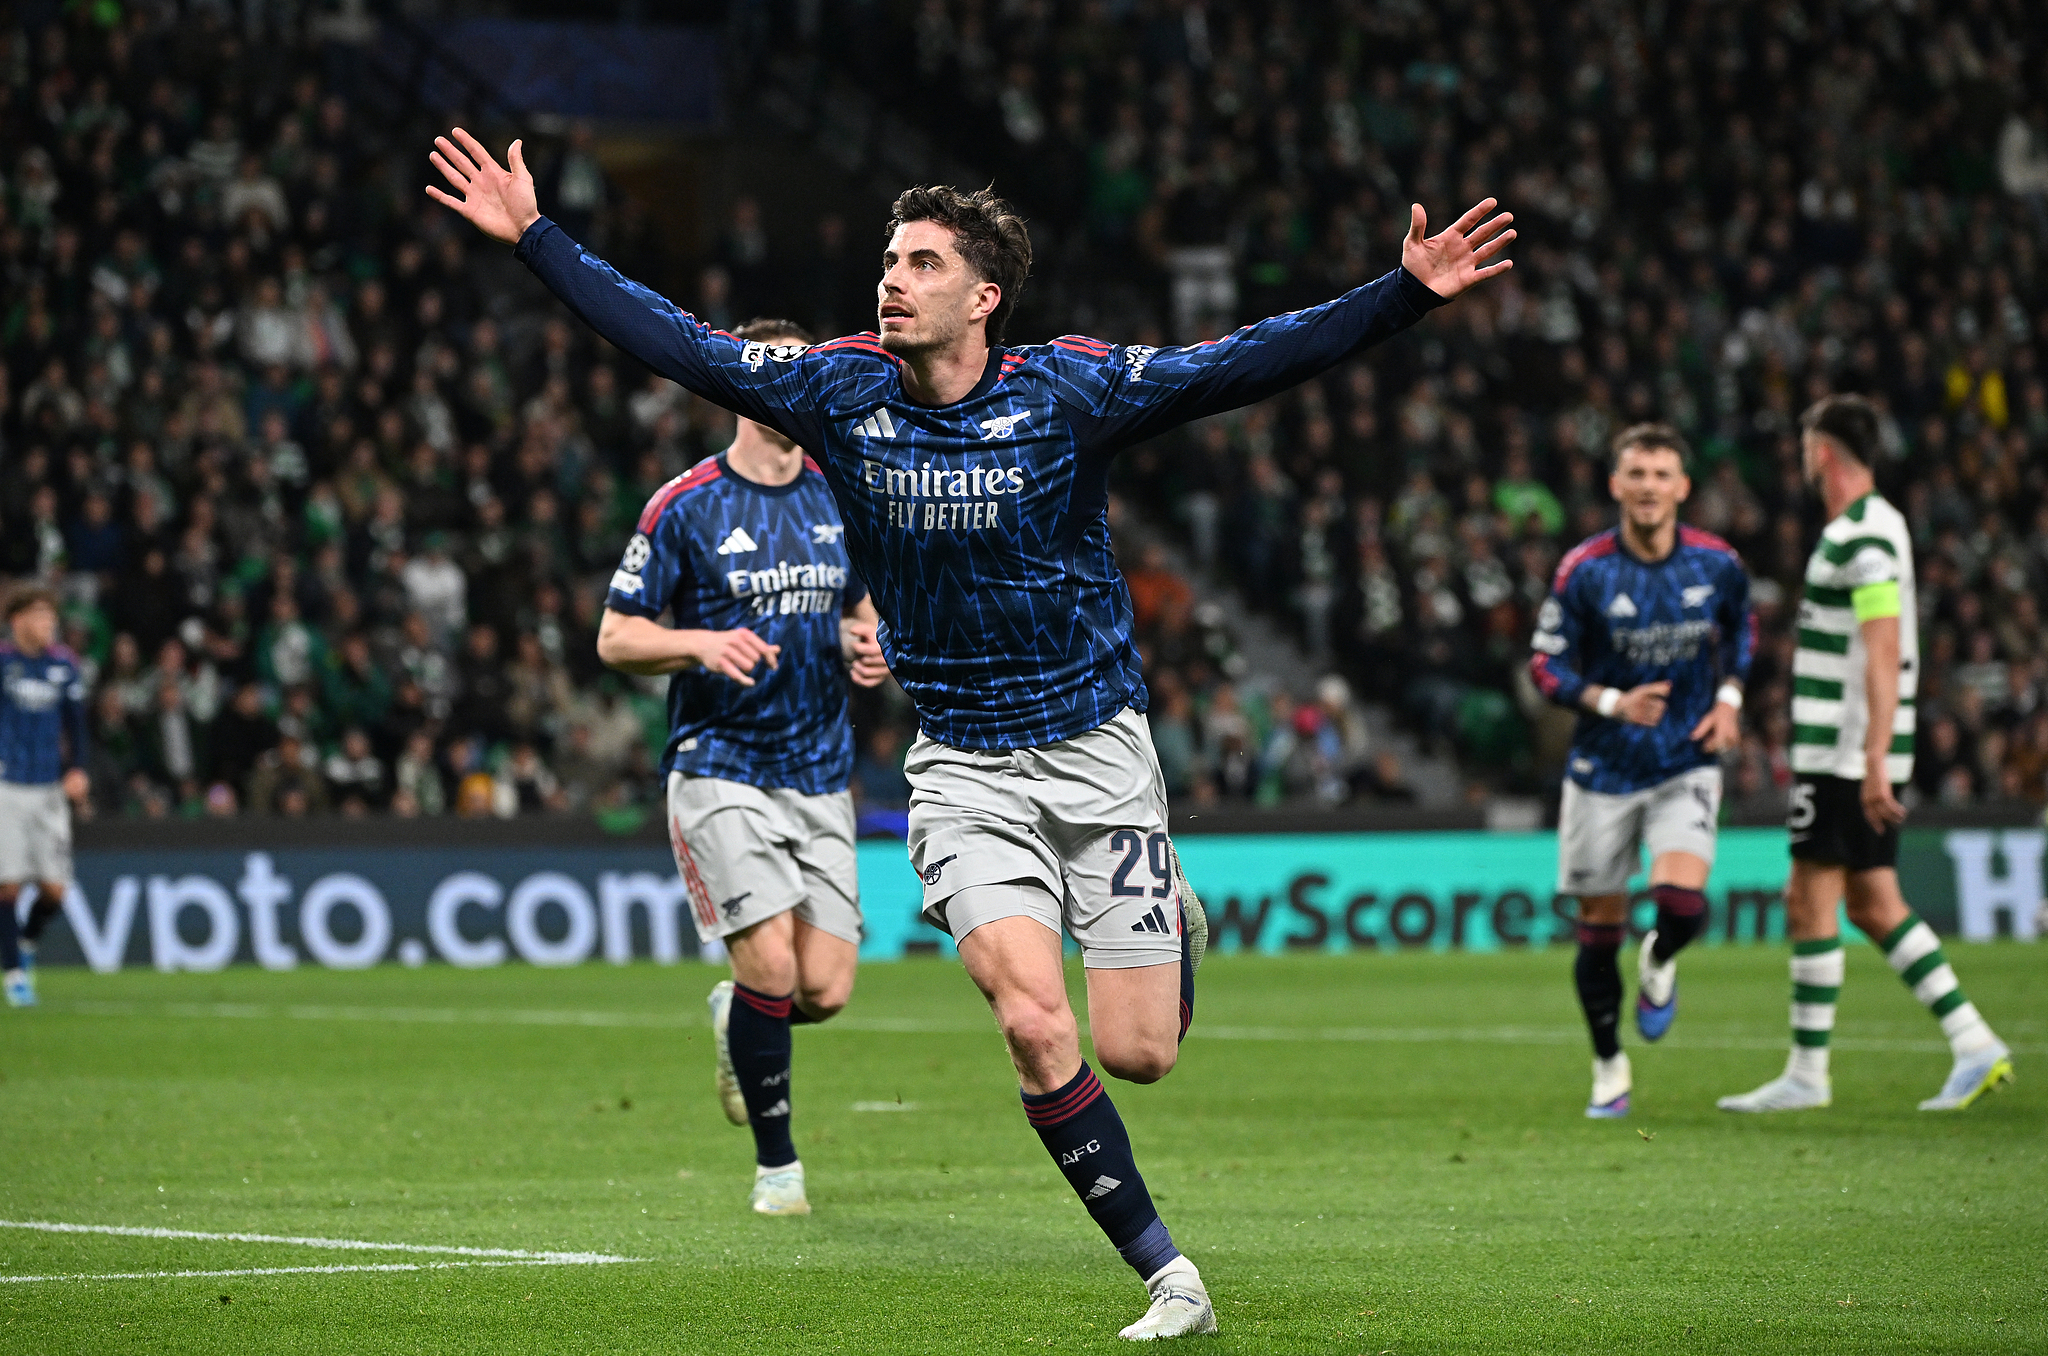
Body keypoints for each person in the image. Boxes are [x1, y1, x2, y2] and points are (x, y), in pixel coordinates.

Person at [428, 126, 1511, 1339]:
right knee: (1028, 1020)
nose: (890, 278)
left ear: (983, 295)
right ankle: (1167, 1274)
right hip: (959, 769)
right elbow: (672, 338)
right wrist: (536, 238)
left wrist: (1401, 298)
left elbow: (1239, 362)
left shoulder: (1071, 390)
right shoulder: (832, 389)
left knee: (1139, 1052)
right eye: (889, 259)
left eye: (922, 262)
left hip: (1095, 749)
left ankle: (1173, 924)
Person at [594, 318, 891, 1217]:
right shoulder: (683, 506)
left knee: (825, 990)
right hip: (721, 763)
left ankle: (740, 1019)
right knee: (768, 966)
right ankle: (779, 1170)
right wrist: (696, 643)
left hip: (819, 767)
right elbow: (615, 636)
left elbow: (869, 594)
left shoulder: (842, 492)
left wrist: (869, 632)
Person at [1719, 396, 2014, 1114]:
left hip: (1845, 755)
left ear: (1822, 451)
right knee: (1873, 902)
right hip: (1853, 751)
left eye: (1803, 444)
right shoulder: (1868, 529)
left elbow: (1883, 648)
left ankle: (1807, 1074)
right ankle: (1974, 1042)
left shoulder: (1863, 536)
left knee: (1809, 898)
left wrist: (1876, 755)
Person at [1529, 425, 1755, 1117]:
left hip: (1685, 759)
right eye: (1638, 474)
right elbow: (1545, 666)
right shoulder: (1585, 570)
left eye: (1663, 474)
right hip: (1602, 769)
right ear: (1616, 486)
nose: (1650, 486)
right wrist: (1610, 701)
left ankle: (1658, 959)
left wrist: (1729, 698)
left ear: (1683, 487)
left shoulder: (1718, 564)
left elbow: (1743, 633)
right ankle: (1608, 1065)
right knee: (1598, 927)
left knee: (1682, 903)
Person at [0, 584, 90, 1007]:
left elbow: (77, 724)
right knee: (7, 887)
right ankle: (15, 974)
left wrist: (78, 769)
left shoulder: (64, 665)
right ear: (16, 620)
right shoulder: (3, 664)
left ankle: (26, 944)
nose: (48, 622)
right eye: (38, 614)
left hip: (49, 787)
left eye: (51, 615)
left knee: (55, 891)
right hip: (7, 786)